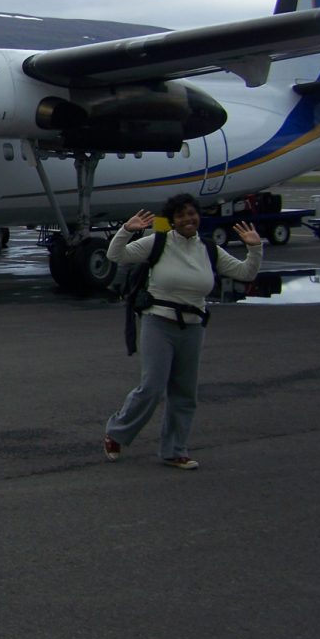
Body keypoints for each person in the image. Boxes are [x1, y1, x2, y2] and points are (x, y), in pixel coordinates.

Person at [102, 193, 262, 469]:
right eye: (181, 215)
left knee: (184, 392)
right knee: (152, 387)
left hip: (192, 326)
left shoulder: (209, 249)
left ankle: (174, 450)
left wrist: (255, 248)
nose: (189, 219)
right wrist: (126, 230)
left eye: (192, 214)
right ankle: (117, 432)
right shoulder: (159, 242)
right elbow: (116, 255)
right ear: (173, 221)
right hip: (158, 323)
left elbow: (246, 273)